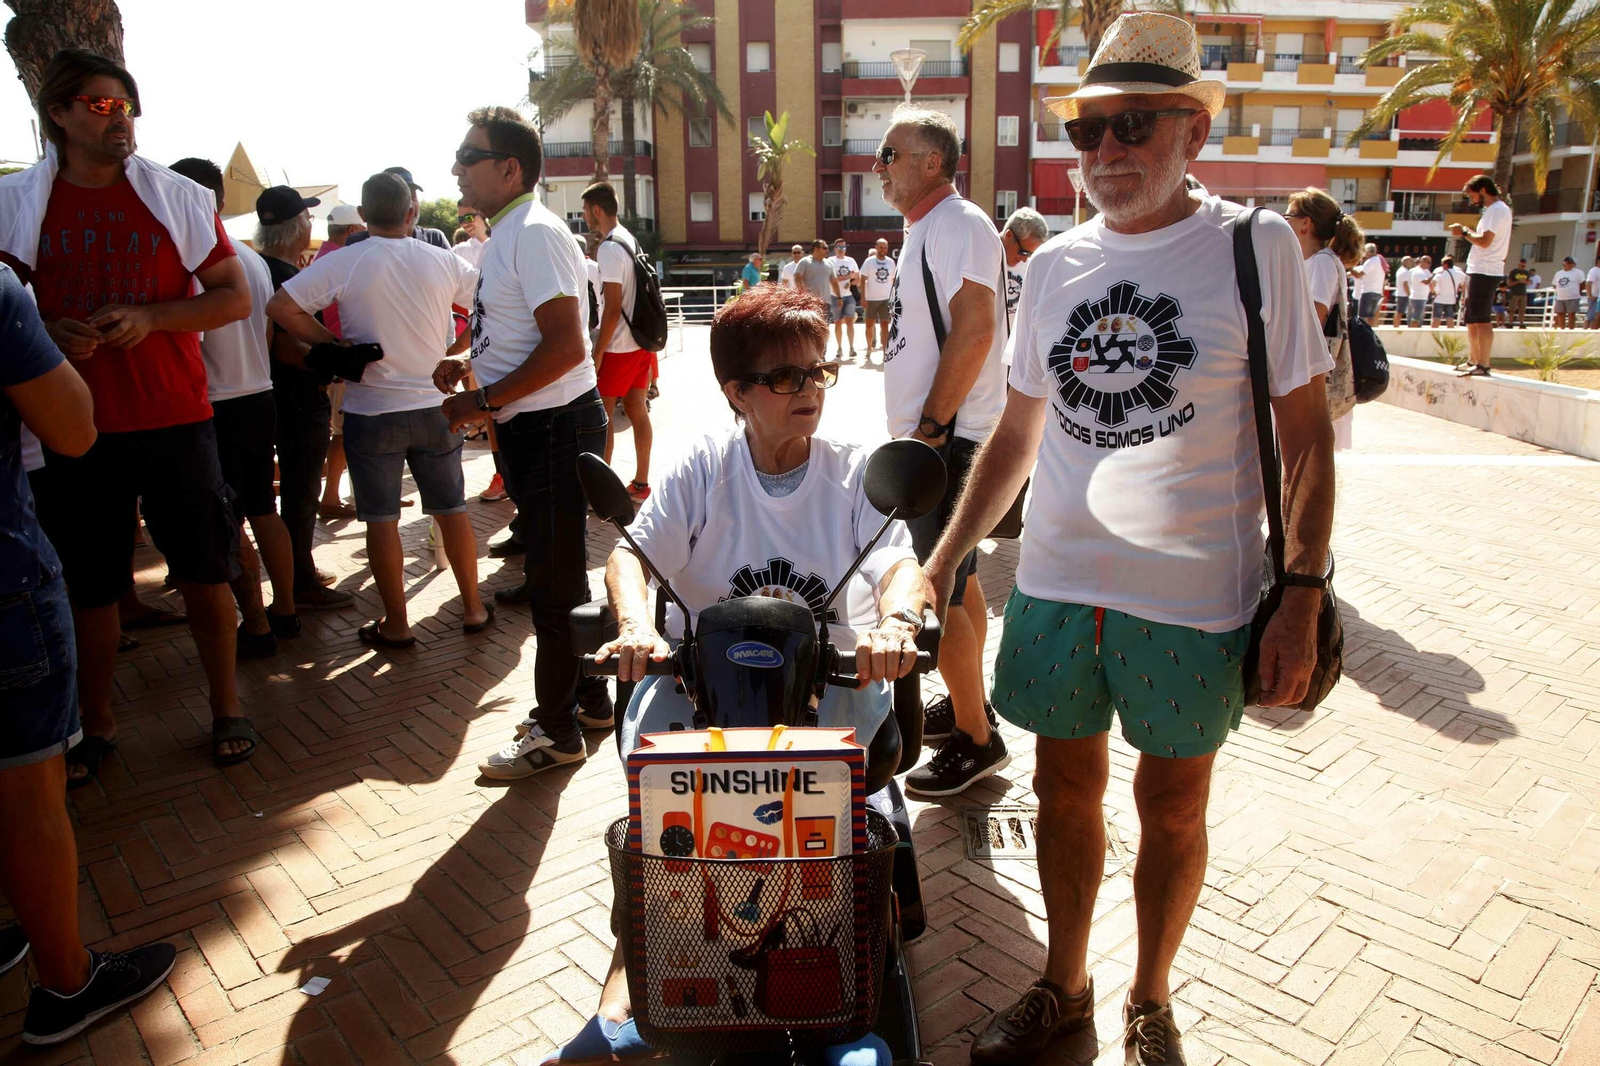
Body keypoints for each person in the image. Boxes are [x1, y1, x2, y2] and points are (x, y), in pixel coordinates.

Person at [934, 16, 1335, 1065]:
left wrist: (1301, 592)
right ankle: (1063, 986)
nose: (1107, 149)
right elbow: (1017, 433)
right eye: (1088, 129)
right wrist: (944, 557)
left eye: (1135, 123)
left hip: (1194, 595)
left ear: (1193, 131)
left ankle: (1149, 998)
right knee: (1062, 790)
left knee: (1173, 805)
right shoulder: (1054, 265)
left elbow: (1305, 434)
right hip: (1059, 584)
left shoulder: (1255, 247)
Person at [541, 284, 925, 1066]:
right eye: (785, 377)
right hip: (701, 691)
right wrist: (636, 626)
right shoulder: (703, 468)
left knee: (830, 818)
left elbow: (898, 566)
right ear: (737, 392)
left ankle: (847, 982)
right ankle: (629, 985)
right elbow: (630, 557)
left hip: (829, 688)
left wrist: (897, 625)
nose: (809, 388)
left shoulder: (854, 470)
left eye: (818, 371)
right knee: (662, 831)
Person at [0, 48, 261, 782]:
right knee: (90, 587)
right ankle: (97, 725)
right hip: (74, 429)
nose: (120, 119)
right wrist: (45, 331)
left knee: (205, 573)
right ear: (58, 114)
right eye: (101, 105)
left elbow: (233, 297)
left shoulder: (177, 197)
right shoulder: (18, 203)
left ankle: (227, 708)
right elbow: (7, 308)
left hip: (175, 417)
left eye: (127, 105)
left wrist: (151, 317)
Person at [0, 263, 179, 1046]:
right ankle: (66, 983)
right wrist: (36, 334)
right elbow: (74, 428)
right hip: (3, 583)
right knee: (27, 791)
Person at [437, 106, 611, 777]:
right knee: (558, 576)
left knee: (554, 585)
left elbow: (566, 347)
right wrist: (471, 362)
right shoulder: (510, 233)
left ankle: (557, 730)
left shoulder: (532, 232)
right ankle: (588, 701)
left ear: (510, 168)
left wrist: (480, 399)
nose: (456, 168)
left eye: (468, 155)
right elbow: (520, 330)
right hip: (536, 425)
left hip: (554, 426)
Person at [268, 171, 490, 647]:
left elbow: (281, 307)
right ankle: (473, 608)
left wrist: (333, 345)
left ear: (364, 215)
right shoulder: (441, 259)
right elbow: (492, 304)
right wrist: (458, 350)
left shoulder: (347, 260)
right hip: (436, 405)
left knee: (381, 519)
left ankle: (397, 623)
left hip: (372, 411)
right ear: (412, 212)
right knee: (452, 510)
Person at [873, 104, 1011, 797]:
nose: (878, 168)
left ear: (933, 162)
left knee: (939, 589)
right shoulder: (930, 228)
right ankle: (968, 705)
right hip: (944, 436)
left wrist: (930, 428)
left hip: (950, 440)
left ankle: (977, 740)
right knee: (965, 582)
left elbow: (976, 328)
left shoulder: (958, 223)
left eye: (889, 155)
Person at [170, 156, 300, 656]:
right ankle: (284, 609)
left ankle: (258, 624)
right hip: (258, 394)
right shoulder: (248, 257)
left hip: (215, 403)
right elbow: (265, 334)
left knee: (227, 516)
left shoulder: (192, 258)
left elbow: (190, 341)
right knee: (263, 509)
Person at [256, 185, 358, 611]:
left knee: (286, 495)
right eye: (307, 218)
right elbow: (286, 347)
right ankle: (299, 581)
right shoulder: (284, 277)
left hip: (265, 395)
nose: (311, 225)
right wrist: (334, 357)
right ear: (296, 227)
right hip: (296, 397)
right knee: (300, 494)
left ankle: (297, 572)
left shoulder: (257, 267)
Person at [585, 180, 654, 504]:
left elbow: (612, 309)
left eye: (586, 210)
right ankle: (641, 483)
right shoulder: (629, 239)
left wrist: (598, 352)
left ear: (597, 210)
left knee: (604, 417)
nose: (584, 216)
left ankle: (603, 492)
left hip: (618, 346)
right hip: (640, 342)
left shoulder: (609, 247)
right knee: (637, 410)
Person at [1286, 188, 1361, 448]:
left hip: (1312, 373)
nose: (1285, 222)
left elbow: (1312, 321)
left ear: (1305, 223)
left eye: (1288, 216)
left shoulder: (1321, 263)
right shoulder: (1318, 261)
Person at [309, 203, 364, 519]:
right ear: (353, 230)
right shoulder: (340, 260)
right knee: (344, 432)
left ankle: (338, 496)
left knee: (344, 432)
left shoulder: (324, 257)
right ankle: (330, 497)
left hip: (335, 357)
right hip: (343, 360)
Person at [1452, 175, 1512, 376]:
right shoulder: (1492, 211)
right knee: (1471, 318)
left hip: (1486, 270)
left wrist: (1464, 233)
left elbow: (1485, 241)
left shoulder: (1498, 210)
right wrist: (1467, 231)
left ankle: (1483, 364)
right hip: (1478, 269)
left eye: (1472, 195)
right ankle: (1474, 359)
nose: (1471, 200)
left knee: (1481, 318)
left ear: (1483, 190)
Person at [345, 166, 451, 250]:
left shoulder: (435, 239)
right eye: (399, 198)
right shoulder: (356, 243)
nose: (409, 204)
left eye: (412, 195)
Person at [1001, 207, 1049, 334]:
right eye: (1023, 252)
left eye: (1030, 254)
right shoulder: (982, 260)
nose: (1024, 259)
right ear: (1008, 235)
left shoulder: (1031, 267)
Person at [861, 237, 897, 359]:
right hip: (871, 299)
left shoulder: (891, 262)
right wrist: (863, 297)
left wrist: (893, 297)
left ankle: (884, 350)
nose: (883, 250)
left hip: (885, 299)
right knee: (869, 325)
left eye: (885, 248)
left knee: (885, 325)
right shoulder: (869, 262)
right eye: (881, 247)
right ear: (876, 247)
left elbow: (893, 280)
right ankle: (869, 347)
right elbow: (862, 279)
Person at [828, 238, 862, 360]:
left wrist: (851, 282)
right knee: (837, 322)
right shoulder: (830, 261)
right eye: (839, 247)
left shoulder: (850, 261)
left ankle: (851, 347)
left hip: (849, 295)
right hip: (834, 296)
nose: (841, 250)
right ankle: (839, 348)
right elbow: (833, 279)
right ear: (835, 248)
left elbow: (857, 278)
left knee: (850, 322)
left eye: (844, 247)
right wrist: (848, 276)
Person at [1353, 242, 1386, 325]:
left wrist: (1349, 268)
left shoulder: (1370, 262)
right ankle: (1371, 332)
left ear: (1366, 252)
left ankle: (1364, 332)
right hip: (1377, 292)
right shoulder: (1381, 260)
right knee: (1372, 317)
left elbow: (1358, 275)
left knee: (1363, 317)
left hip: (1367, 292)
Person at [795, 238, 834, 306]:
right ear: (816, 248)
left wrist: (839, 297)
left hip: (826, 302)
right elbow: (798, 277)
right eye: (824, 248)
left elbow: (834, 281)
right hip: (810, 302)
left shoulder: (829, 263)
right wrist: (802, 294)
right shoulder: (804, 262)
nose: (827, 250)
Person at [453, 204, 491, 270]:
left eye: (468, 218)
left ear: (483, 215)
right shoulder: (458, 252)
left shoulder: (503, 243)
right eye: (460, 220)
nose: (464, 224)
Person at [1432, 255, 1466, 327]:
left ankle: (1433, 333)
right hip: (1451, 300)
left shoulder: (1440, 273)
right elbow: (1464, 283)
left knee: (1436, 319)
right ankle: (1450, 333)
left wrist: (1433, 292)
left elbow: (1432, 283)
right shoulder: (1459, 273)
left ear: (1446, 264)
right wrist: (1464, 295)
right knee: (1450, 319)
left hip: (1439, 299)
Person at [1553, 255, 1584, 328]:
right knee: (1560, 313)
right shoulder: (1559, 273)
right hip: (1560, 297)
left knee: (1571, 314)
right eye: (1568, 263)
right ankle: (1562, 328)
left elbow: (1582, 283)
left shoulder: (1578, 272)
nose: (1570, 265)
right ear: (1564, 263)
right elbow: (1554, 284)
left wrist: (1578, 292)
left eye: (1571, 263)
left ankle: (1571, 328)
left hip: (1572, 296)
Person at [1407, 255, 1433, 327]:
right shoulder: (1418, 271)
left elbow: (1431, 281)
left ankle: (1415, 329)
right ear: (1422, 261)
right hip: (1417, 298)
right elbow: (1426, 281)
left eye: (1430, 262)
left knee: (1419, 317)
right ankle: (1412, 331)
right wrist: (1435, 274)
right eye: (1428, 262)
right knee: (1416, 317)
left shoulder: (1426, 271)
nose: (1429, 264)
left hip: (1423, 297)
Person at [1507, 257, 1532, 328]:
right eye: (1521, 264)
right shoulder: (1513, 272)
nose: (1523, 266)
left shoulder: (1526, 273)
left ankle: (1521, 324)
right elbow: (1509, 283)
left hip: (1523, 293)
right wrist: (1518, 281)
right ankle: (1510, 323)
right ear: (1518, 264)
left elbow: (1529, 282)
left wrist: (1526, 282)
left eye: (1524, 264)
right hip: (1514, 293)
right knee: (1512, 309)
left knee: (1522, 310)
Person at [1394, 255, 1414, 326]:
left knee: (1399, 311)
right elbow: (1405, 284)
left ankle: (1396, 325)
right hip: (1403, 295)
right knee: (1400, 312)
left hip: (1401, 294)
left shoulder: (1401, 270)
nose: (1411, 262)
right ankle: (1396, 326)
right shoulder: (1404, 271)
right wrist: (1409, 294)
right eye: (1410, 261)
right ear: (1405, 262)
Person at [1586, 254, 1600, 329]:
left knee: (1595, 316)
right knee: (1590, 316)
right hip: (1594, 296)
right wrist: (1590, 295)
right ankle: (1585, 332)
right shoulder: (1594, 271)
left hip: (1598, 296)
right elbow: (1589, 283)